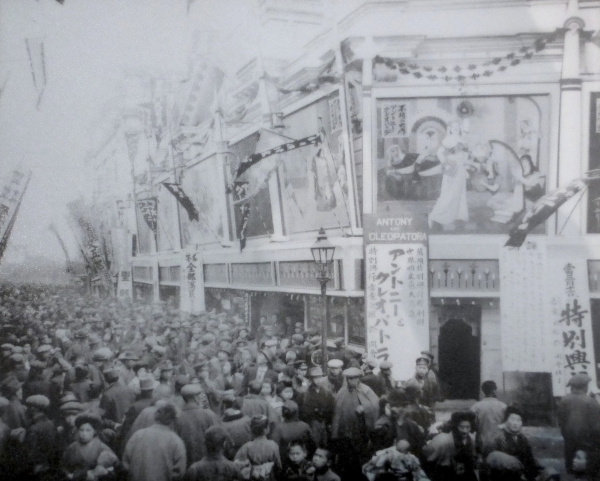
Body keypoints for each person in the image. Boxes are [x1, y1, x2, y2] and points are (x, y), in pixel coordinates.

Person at [331, 367, 379, 479]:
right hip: (345, 432)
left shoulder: (366, 390)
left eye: (352, 378)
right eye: (348, 378)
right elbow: (336, 412)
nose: (349, 381)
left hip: (360, 431)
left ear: (358, 378)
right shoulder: (342, 391)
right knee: (346, 458)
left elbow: (376, 404)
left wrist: (365, 407)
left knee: (360, 456)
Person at [429, 120, 477, 230]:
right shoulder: (447, 140)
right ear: (449, 128)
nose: (456, 129)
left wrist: (467, 161)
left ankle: (459, 215)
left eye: (457, 127)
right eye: (453, 127)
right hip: (452, 169)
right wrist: (447, 164)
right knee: (448, 194)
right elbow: (440, 153)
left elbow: (463, 155)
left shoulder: (462, 140)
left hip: (460, 169)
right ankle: (436, 216)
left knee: (460, 193)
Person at [122, 403, 187, 481]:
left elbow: (125, 462)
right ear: (173, 420)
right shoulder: (176, 441)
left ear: (156, 417)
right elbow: (179, 471)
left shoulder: (138, 435)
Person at [482, 406, 541, 481]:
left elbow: (529, 459)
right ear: (506, 421)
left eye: (518, 420)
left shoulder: (522, 438)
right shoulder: (497, 437)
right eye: (512, 419)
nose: (515, 423)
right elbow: (487, 459)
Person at [557, 373, 600, 474]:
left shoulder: (564, 400)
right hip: (588, 447)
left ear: (572, 387)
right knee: (588, 473)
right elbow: (597, 428)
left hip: (569, 444)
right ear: (585, 386)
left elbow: (561, 423)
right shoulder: (591, 402)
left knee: (571, 472)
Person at [422, 411, 477, 481]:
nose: (465, 431)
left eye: (468, 427)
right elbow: (426, 459)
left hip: (465, 475)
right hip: (445, 474)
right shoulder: (442, 440)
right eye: (461, 427)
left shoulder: (472, 439)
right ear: (455, 426)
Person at [175, 383, 220, 466]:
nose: (201, 397)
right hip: (207, 463)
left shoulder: (177, 418)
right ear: (196, 398)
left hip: (186, 465)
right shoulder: (208, 414)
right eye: (200, 395)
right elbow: (219, 437)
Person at [62, 413, 117, 481]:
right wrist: (68, 475)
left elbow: (113, 467)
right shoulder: (72, 447)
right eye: (81, 430)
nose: (84, 434)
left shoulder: (102, 448)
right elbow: (64, 465)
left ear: (94, 431)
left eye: (88, 430)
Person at [234, 415, 281, 481]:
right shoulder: (273, 445)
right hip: (269, 477)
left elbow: (237, 464)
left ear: (251, 430)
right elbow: (278, 466)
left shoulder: (247, 446)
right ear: (266, 429)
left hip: (252, 477)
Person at [297, 366, 335, 448]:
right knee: (313, 443)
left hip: (324, 422)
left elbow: (331, 407)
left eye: (320, 377)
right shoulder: (305, 393)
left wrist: (328, 421)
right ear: (311, 380)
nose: (318, 380)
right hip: (312, 422)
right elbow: (302, 410)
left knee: (325, 443)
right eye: (315, 378)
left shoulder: (327, 392)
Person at [362, 439, 430, 481]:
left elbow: (368, 467)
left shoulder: (385, 452)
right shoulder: (409, 458)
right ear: (407, 450)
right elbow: (418, 472)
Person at [470, 380, 506, 452]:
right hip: (499, 443)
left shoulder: (475, 407)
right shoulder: (503, 406)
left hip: (482, 443)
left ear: (484, 391)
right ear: (494, 391)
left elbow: (472, 427)